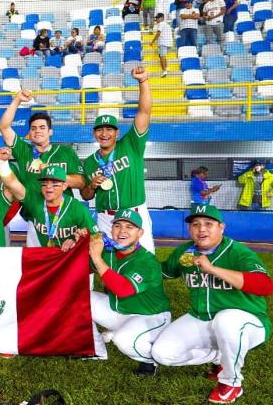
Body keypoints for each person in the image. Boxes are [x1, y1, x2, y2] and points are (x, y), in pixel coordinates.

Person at [152, 204, 273, 404]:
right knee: (162, 354)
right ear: (190, 229)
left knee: (226, 320)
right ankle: (220, 358)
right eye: (195, 224)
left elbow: (265, 286)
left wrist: (213, 269)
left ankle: (231, 383)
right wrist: (135, 255)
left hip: (247, 322)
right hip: (201, 317)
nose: (201, 229)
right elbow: (164, 272)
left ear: (221, 228)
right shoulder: (185, 252)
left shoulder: (238, 253)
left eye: (209, 224)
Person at [80, 67, 155, 253]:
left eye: (109, 129)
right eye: (100, 130)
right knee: (110, 265)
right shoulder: (90, 162)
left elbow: (144, 112)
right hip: (106, 218)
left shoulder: (131, 144)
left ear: (117, 132)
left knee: (145, 261)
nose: (104, 134)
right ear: (94, 134)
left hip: (135, 215)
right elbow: (85, 196)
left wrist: (143, 81)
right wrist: (91, 186)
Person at [88, 210, 171, 375]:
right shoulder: (108, 251)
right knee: (78, 298)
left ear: (140, 233)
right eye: (117, 226)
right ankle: (95, 348)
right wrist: (78, 244)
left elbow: (123, 289)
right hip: (119, 310)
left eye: (129, 227)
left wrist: (97, 258)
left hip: (150, 316)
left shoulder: (147, 261)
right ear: (111, 230)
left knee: (123, 341)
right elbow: (81, 268)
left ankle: (150, 360)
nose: (122, 231)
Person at [0, 90, 86, 247]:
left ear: (50, 131)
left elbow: (80, 182)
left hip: (65, 219)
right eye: (33, 128)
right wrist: (18, 99)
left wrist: (53, 173)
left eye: (42, 127)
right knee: (37, 265)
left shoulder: (66, 152)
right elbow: (4, 127)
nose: (37, 131)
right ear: (30, 133)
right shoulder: (24, 150)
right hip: (35, 218)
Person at [0, 162, 98, 251]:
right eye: (45, 183)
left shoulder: (77, 208)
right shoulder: (34, 201)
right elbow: (12, 184)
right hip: (47, 254)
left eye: (55, 184)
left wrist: (77, 242)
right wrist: (2, 163)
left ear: (64, 186)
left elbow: (96, 237)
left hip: (70, 256)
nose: (49, 187)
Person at [151, 13, 173, 77]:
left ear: (162, 18)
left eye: (158, 18)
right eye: (156, 18)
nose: (157, 19)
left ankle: (164, 71)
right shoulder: (166, 25)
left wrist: (152, 41)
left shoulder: (161, 23)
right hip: (168, 43)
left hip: (163, 42)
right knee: (161, 55)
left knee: (162, 57)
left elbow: (158, 33)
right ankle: (166, 68)